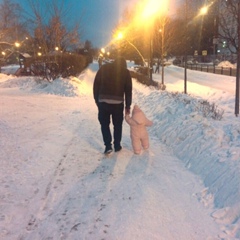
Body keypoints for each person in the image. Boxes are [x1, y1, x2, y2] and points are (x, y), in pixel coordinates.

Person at [93, 56, 132, 154]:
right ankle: (117, 145)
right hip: (118, 104)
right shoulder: (126, 72)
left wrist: (97, 100)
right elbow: (128, 90)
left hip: (103, 102)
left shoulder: (103, 68)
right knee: (118, 125)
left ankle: (108, 146)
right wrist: (128, 106)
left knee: (104, 124)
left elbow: (96, 85)